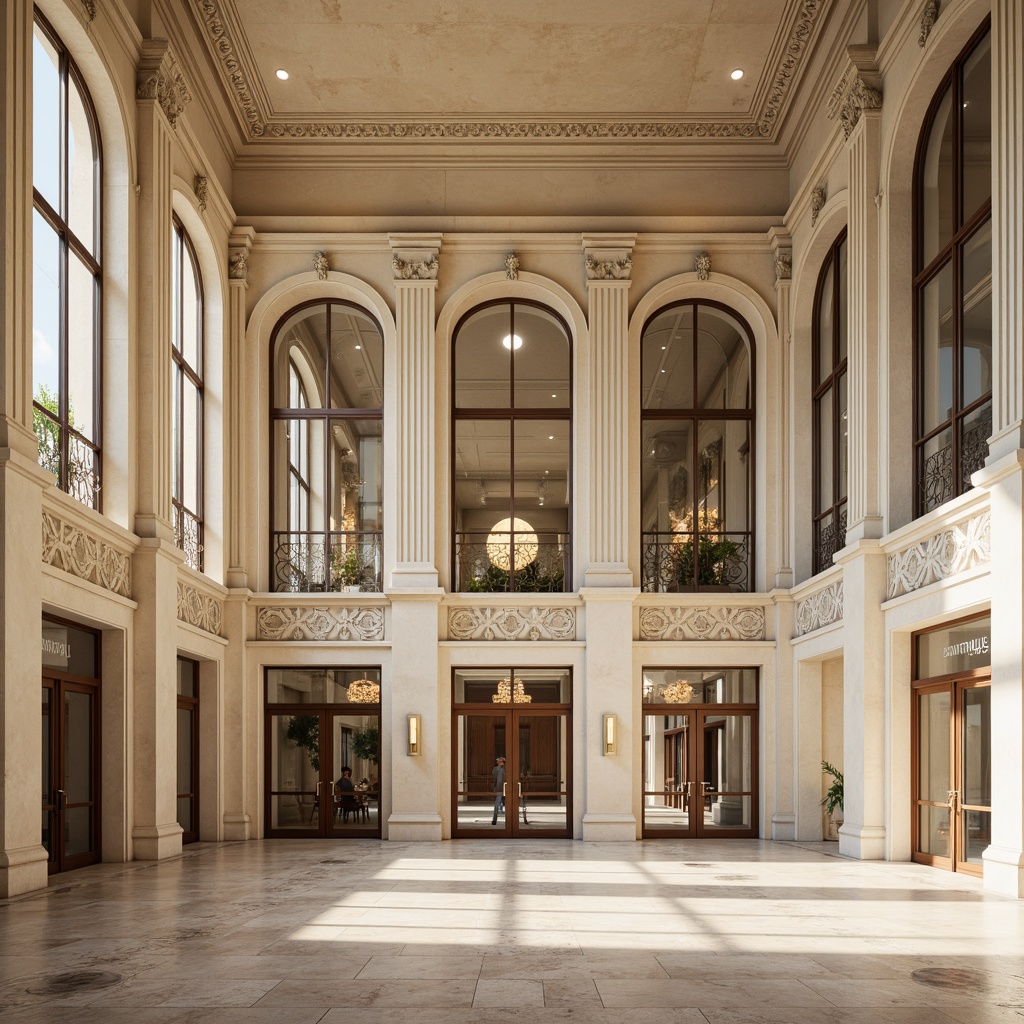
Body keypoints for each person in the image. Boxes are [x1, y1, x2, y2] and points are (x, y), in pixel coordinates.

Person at [491, 756, 506, 825]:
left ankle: (495, 819)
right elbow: (494, 779)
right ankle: (495, 818)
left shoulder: (497, 769)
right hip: (501, 788)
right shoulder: (497, 769)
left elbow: (494, 779)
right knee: (498, 803)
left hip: (502, 788)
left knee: (498, 803)